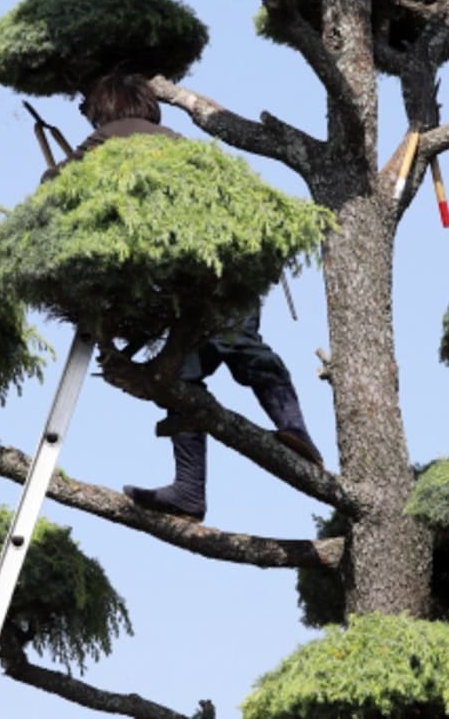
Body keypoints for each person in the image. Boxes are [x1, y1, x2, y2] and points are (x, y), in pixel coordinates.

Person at [45, 71, 323, 524]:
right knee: (215, 358)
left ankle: (194, 486)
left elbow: (53, 193)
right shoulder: (179, 141)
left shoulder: (110, 137)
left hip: (199, 275)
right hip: (232, 266)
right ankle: (290, 433)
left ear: (107, 109)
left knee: (193, 374)